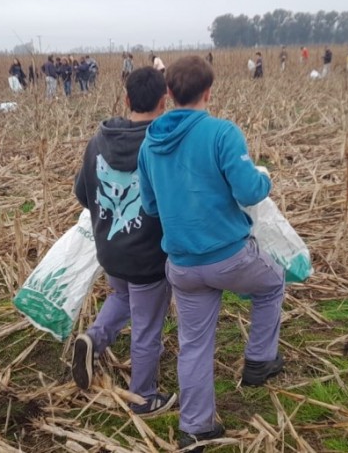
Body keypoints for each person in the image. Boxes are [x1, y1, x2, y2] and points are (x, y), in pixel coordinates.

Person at [138, 56, 285, 452]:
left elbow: (150, 207)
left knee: (194, 344)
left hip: (182, 267)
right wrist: (264, 176)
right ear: (208, 91)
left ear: (168, 93)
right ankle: (259, 360)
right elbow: (249, 192)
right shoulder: (223, 134)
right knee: (272, 283)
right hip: (229, 259)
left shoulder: (150, 143)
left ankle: (196, 426)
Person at [72, 66, 175, 418]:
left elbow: (83, 194)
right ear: (165, 101)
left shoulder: (98, 141)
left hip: (110, 250)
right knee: (147, 326)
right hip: (148, 256)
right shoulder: (163, 144)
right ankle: (143, 397)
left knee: (121, 295)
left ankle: (94, 339)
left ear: (126, 99)